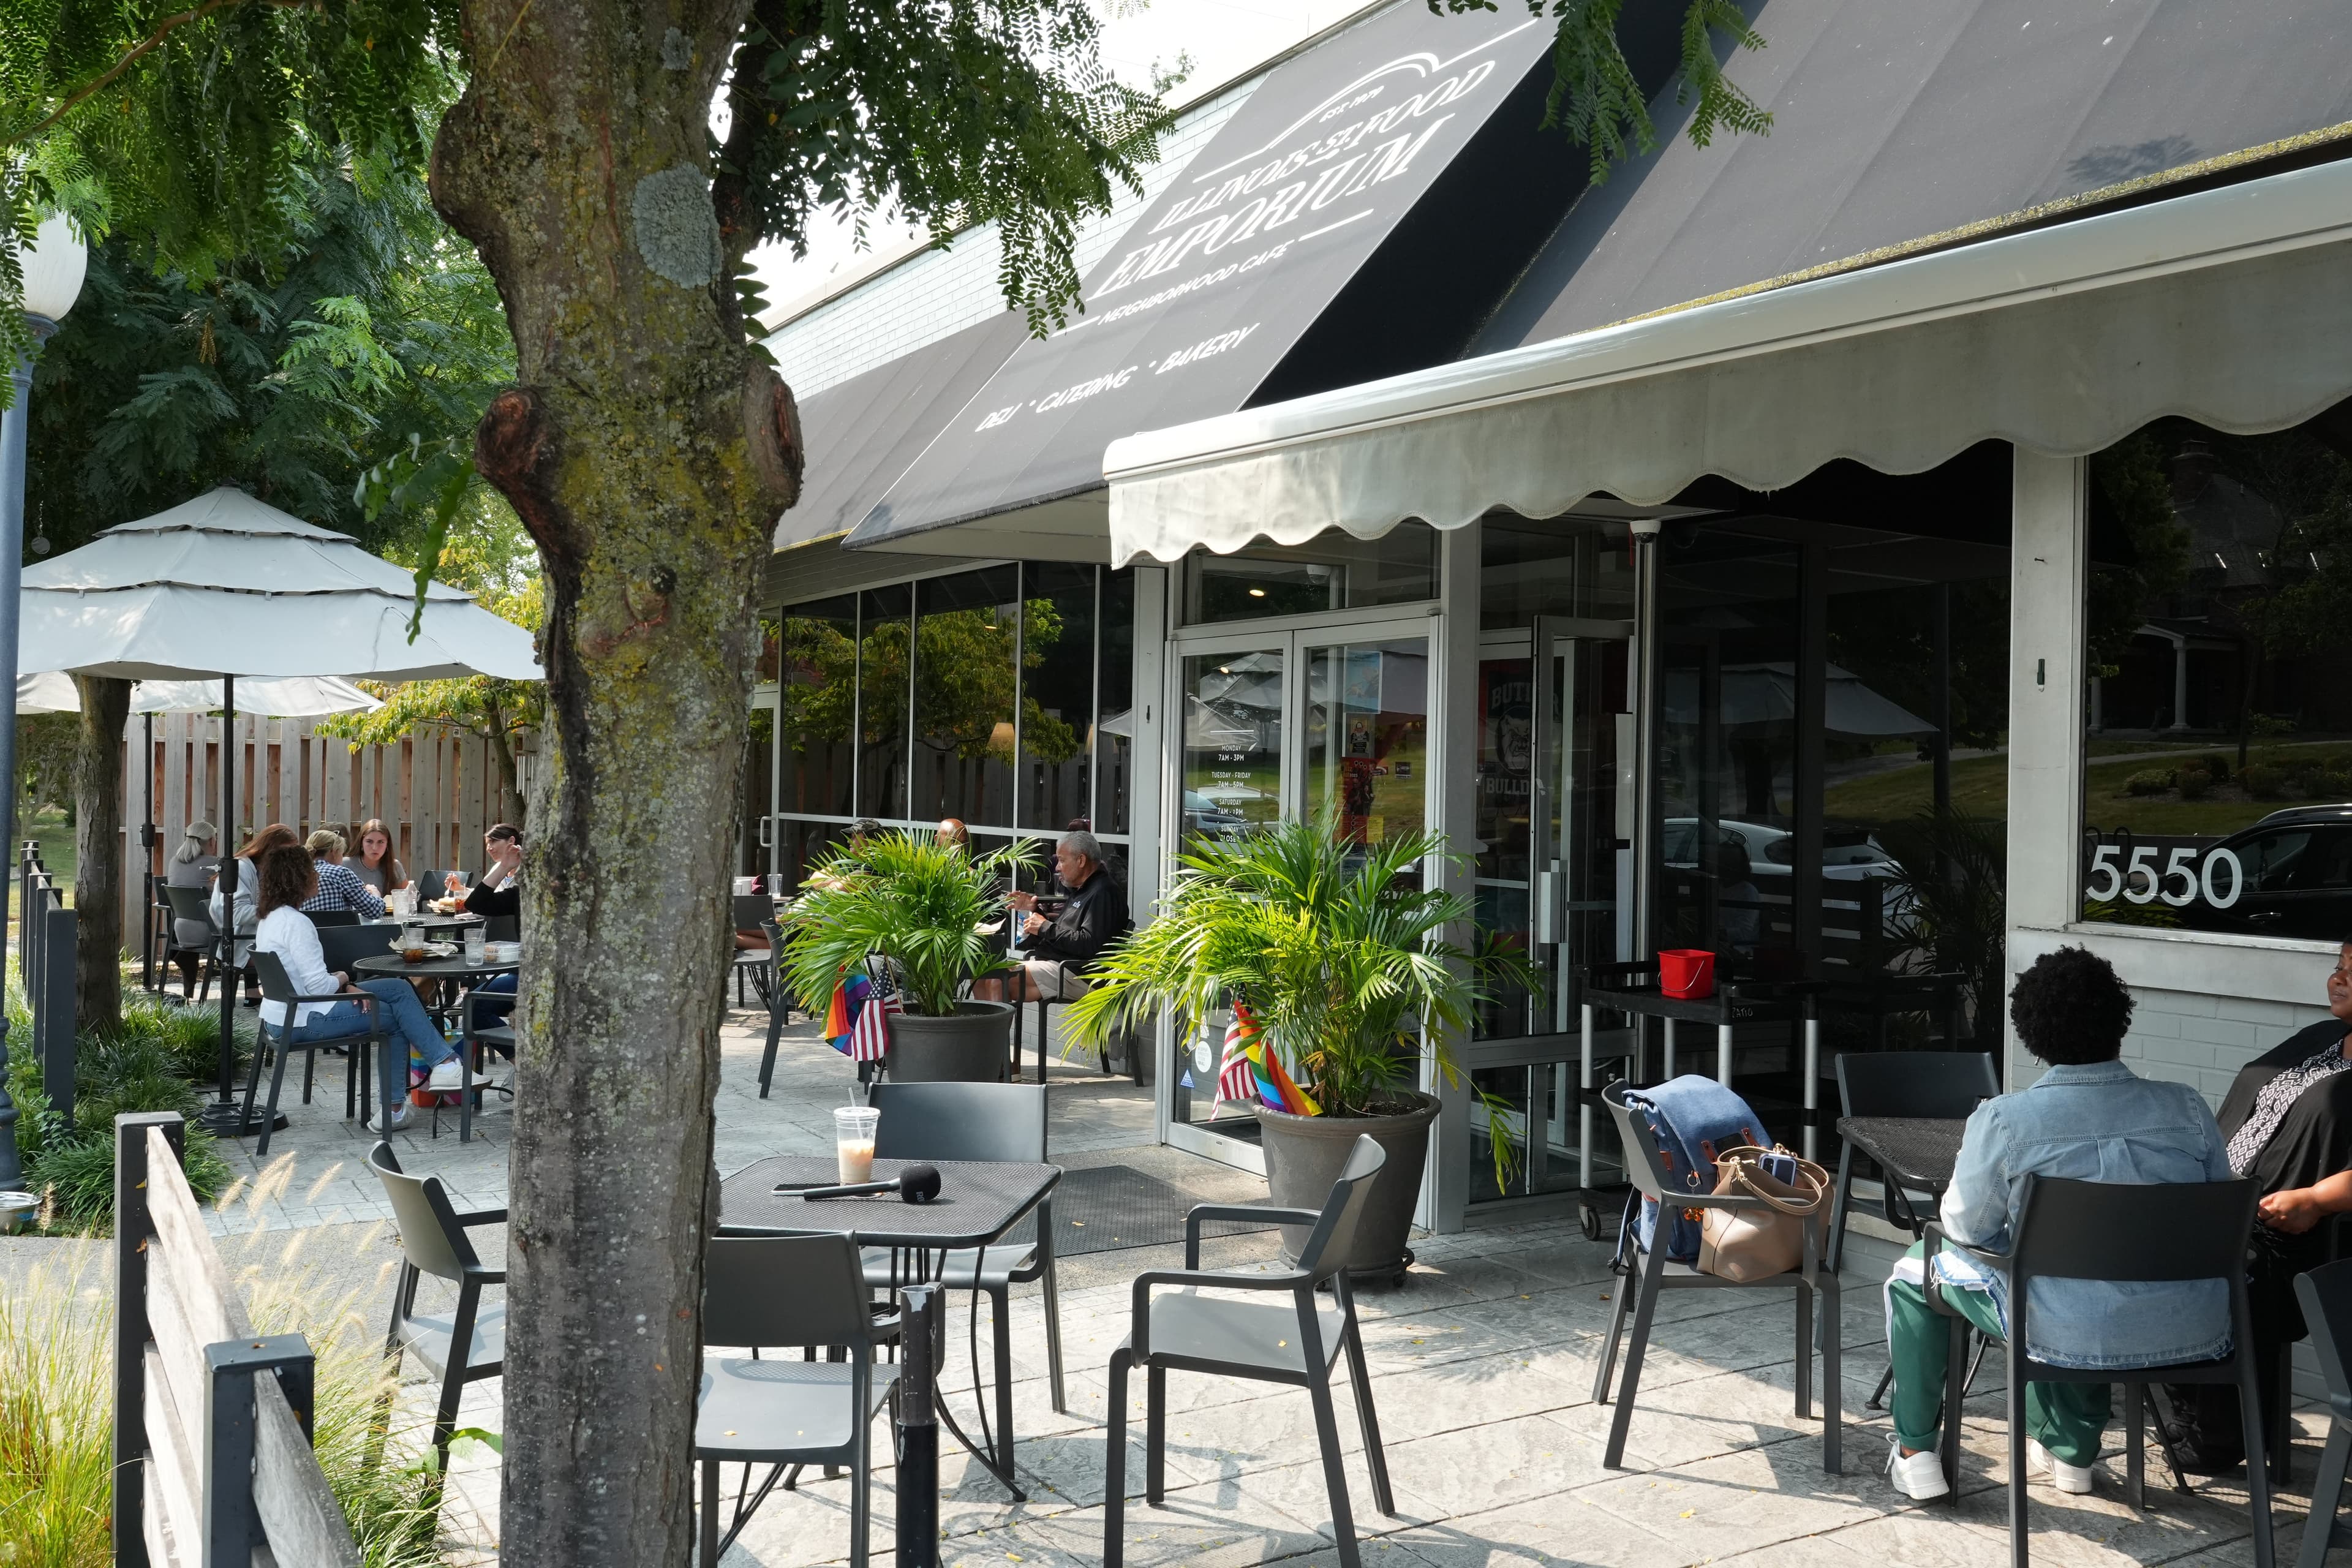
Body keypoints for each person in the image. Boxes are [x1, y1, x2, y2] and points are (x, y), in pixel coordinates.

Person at [1882, 945, 2232, 1501]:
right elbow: (2215, 1213)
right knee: (2068, 1275)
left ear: (2030, 1033)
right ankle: (2071, 1453)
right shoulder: (2187, 1108)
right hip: (2193, 1328)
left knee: (1916, 1271)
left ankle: (1916, 1453)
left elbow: (1965, 1228)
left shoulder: (2005, 1119)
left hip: (2065, 1332)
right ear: (2120, 1022)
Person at [2150, 939, 2352, 1471]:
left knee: (2211, 1272)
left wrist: (2316, 1198)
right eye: (2338, 967)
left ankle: (2220, 1432)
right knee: (2139, 1246)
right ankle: (2198, 1412)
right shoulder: (2323, 1039)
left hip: (2295, 1235)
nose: (2338, 979)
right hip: (2225, 1206)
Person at [250, 843, 485, 1130]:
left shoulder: (269, 919)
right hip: (304, 1018)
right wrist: (344, 979)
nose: (317, 876)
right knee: (398, 1019)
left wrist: (345, 986)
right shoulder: (297, 923)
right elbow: (317, 985)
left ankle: (443, 1067)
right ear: (298, 878)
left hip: (282, 1015)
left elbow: (307, 982)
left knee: (398, 988)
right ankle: (403, 1102)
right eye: (311, 871)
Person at [996, 829, 1129, 1002]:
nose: (1057, 867)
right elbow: (1058, 934)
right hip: (1059, 967)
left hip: (1082, 975)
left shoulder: (1104, 892)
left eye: (1062, 860)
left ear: (1081, 860)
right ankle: (987, 1030)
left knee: (997, 979)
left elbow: (1090, 945)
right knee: (985, 978)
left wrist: (1044, 927)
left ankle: (988, 1030)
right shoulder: (1081, 890)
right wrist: (1033, 912)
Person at [211, 824, 301, 1005]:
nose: (287, 858)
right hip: (238, 942)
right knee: (295, 953)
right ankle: (292, 1002)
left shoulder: (270, 869)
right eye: (284, 852)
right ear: (269, 848)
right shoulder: (242, 868)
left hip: (254, 937)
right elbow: (235, 913)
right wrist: (277, 909)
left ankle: (258, 994)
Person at [165, 820, 220, 1000]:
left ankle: (189, 991)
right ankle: (246, 989)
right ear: (212, 841)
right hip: (208, 932)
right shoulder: (214, 864)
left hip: (180, 930)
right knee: (243, 929)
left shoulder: (174, 862)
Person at [300, 830, 385, 918]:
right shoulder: (340, 873)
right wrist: (376, 895)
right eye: (342, 853)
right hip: (338, 931)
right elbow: (374, 912)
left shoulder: (299, 875)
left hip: (307, 930)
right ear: (334, 852)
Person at [461, 823, 523, 918]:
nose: (489, 848)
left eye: (493, 841)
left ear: (511, 841)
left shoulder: (529, 873)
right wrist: (461, 889)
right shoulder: (498, 868)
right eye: (487, 844)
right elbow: (483, 898)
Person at [349, 818, 407, 898]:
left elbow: (408, 898)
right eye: (369, 842)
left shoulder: (395, 866)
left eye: (381, 842)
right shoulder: (345, 865)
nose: (375, 848)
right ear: (361, 843)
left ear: (387, 845)